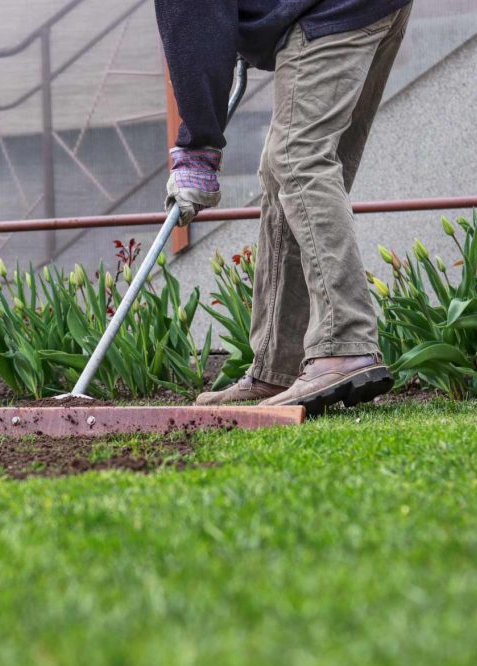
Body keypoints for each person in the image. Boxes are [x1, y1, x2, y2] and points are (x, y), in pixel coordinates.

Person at [156, 0, 412, 415]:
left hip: (332, 12)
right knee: (287, 171)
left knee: (298, 158)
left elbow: (195, 30)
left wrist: (197, 145)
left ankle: (344, 344)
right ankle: (279, 366)